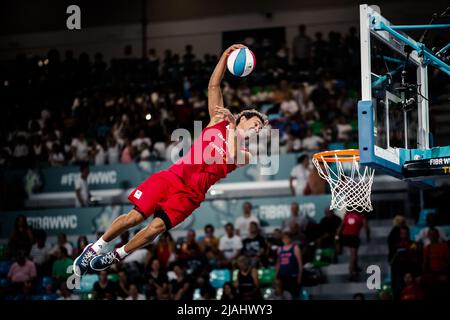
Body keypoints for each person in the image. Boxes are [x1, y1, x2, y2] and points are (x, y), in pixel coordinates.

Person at [74, 44, 268, 276]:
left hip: (191, 195)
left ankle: (116, 255)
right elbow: (213, 85)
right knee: (133, 217)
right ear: (244, 117)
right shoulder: (218, 120)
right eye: (256, 125)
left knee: (155, 228)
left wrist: (235, 130)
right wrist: (225, 56)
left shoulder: (246, 153)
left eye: (259, 130)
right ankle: (97, 247)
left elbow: (233, 155)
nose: (257, 130)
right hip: (172, 177)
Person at [335, 211, 370, 281]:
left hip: (346, 236)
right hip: (353, 236)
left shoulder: (347, 215)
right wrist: (368, 236)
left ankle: (355, 267)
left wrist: (337, 235)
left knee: (354, 253)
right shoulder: (361, 216)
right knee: (353, 255)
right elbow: (366, 227)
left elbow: (341, 227)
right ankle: (351, 272)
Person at [276, 231, 303, 297]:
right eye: (284, 238)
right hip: (282, 275)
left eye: (287, 238)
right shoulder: (280, 249)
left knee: (293, 294)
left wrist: (299, 276)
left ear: (290, 239)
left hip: (292, 275)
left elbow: (300, 263)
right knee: (282, 295)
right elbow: (278, 263)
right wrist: (276, 275)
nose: (285, 240)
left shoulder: (295, 248)